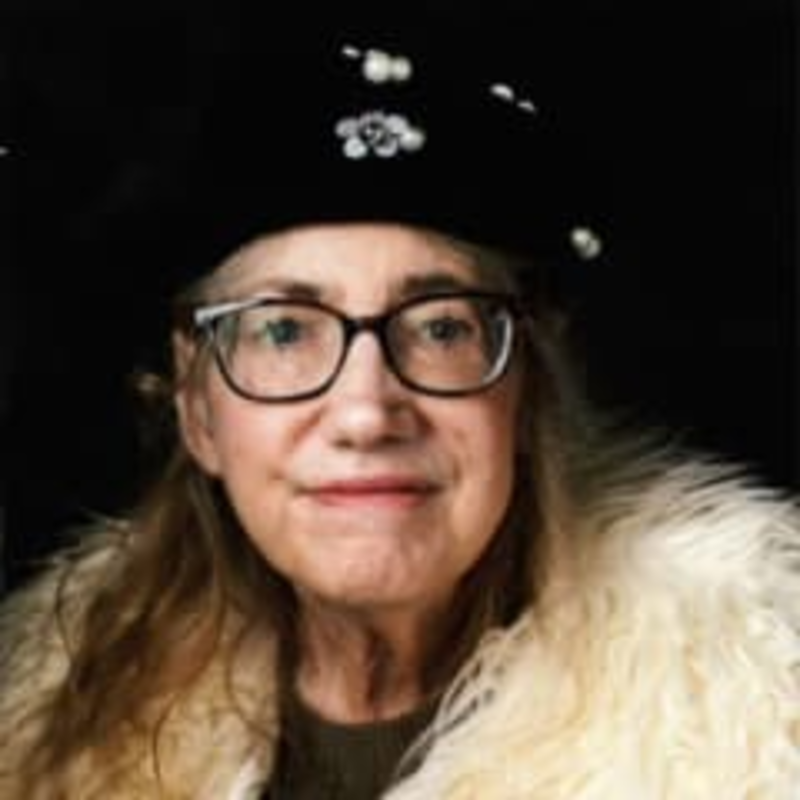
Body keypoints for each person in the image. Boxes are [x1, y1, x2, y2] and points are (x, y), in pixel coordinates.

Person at [2, 22, 798, 800]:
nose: (366, 413)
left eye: (441, 328)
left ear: (526, 391)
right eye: (285, 330)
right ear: (198, 409)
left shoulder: (754, 721)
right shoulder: (45, 730)